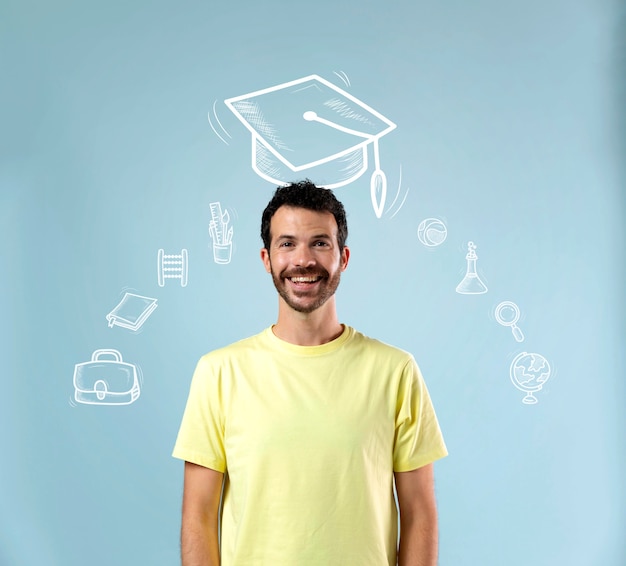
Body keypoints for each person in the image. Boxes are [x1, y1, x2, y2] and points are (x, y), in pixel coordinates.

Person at [172, 180, 448, 566]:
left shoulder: (395, 371)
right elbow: (198, 517)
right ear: (267, 258)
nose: (303, 260)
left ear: (343, 257)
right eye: (287, 244)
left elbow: (419, 514)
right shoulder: (219, 373)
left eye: (319, 242)